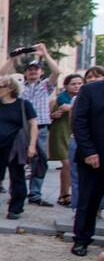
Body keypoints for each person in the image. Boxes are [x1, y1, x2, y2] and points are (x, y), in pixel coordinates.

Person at [0, 44, 58, 206]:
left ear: (41, 71)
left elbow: (57, 72)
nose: (33, 71)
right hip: (20, 129)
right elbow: (1, 76)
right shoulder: (17, 86)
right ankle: (16, 193)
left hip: (40, 127)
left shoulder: (46, 86)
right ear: (25, 72)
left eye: (36, 69)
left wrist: (45, 54)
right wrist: (12, 59)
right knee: (17, 161)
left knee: (40, 161)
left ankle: (35, 193)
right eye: (30, 69)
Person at [0, 74, 39, 220]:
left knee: (17, 176)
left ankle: (16, 208)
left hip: (15, 144)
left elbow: (33, 124)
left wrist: (32, 145)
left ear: (10, 88)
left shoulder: (23, 104)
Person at [70, 66, 104, 210]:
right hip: (94, 155)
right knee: (88, 201)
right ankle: (82, 233)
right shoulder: (90, 90)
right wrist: (89, 151)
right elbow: (78, 122)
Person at [50, 74, 81, 207]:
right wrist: (54, 115)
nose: (77, 86)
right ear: (66, 86)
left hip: (76, 134)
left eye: (79, 83)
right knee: (67, 164)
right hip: (61, 132)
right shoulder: (60, 99)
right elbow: (49, 115)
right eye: (73, 84)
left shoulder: (84, 98)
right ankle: (65, 194)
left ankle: (65, 194)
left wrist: (72, 108)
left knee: (71, 166)